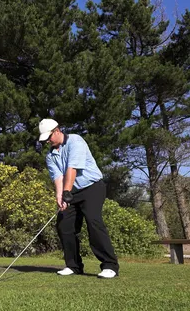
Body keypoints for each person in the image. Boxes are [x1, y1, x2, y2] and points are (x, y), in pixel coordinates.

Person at [38, 118, 119, 279]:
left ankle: (110, 265)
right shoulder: (50, 155)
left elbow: (72, 169)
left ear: (57, 131)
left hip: (92, 187)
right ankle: (73, 265)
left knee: (93, 220)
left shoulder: (76, 141)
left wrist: (67, 192)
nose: (47, 141)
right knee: (64, 225)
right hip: (72, 192)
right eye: (45, 139)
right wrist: (60, 196)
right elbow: (58, 177)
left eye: (49, 137)